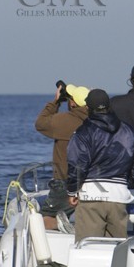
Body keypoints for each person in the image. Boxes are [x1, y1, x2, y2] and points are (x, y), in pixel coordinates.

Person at [66, 89, 134, 242]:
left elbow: (77, 164)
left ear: (88, 108)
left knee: (88, 246)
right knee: (116, 249)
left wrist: (72, 191)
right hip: (119, 195)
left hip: (91, 196)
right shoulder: (128, 131)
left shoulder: (83, 132)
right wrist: (128, 179)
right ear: (109, 106)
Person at [34, 81, 89, 222]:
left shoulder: (65, 120)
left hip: (65, 180)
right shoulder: (95, 121)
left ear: (72, 103)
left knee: (46, 218)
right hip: (89, 180)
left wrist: (56, 102)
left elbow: (40, 123)